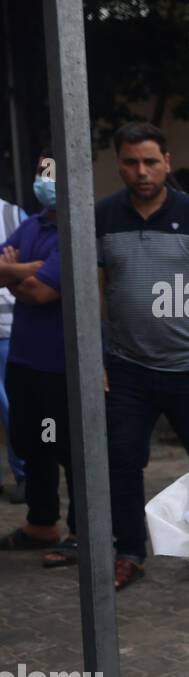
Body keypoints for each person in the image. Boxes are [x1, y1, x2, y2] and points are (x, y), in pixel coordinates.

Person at [96, 122, 189, 590]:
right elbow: (95, 291)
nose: (141, 171)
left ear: (167, 162)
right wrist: (96, 357)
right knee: (122, 459)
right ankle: (130, 552)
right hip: (127, 367)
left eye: (151, 161)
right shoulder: (104, 216)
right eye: (131, 162)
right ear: (119, 163)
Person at [0, 147, 77, 566]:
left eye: (54, 173)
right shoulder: (30, 226)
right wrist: (28, 270)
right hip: (25, 363)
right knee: (35, 444)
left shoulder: (78, 229)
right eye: (41, 171)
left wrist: (14, 273)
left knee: (70, 446)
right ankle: (41, 522)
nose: (46, 180)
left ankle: (82, 531)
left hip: (62, 365)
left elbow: (43, 291)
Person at [0, 193, 27, 504]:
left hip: (7, 326)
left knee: (13, 410)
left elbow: (32, 267)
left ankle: (25, 477)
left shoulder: (12, 214)